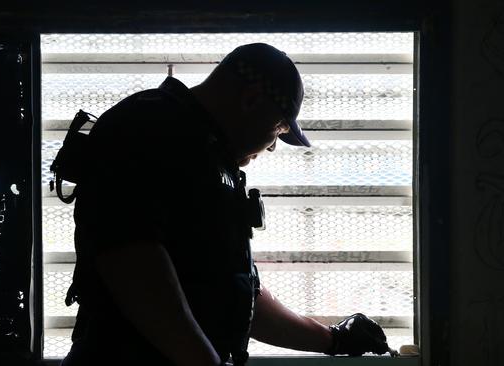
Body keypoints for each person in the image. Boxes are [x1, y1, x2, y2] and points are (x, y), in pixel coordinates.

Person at [60, 43, 390, 366]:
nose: (273, 146)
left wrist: (334, 338)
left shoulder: (208, 158)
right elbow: (132, 262)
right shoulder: (150, 125)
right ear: (251, 100)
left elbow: (241, 297)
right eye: (277, 129)